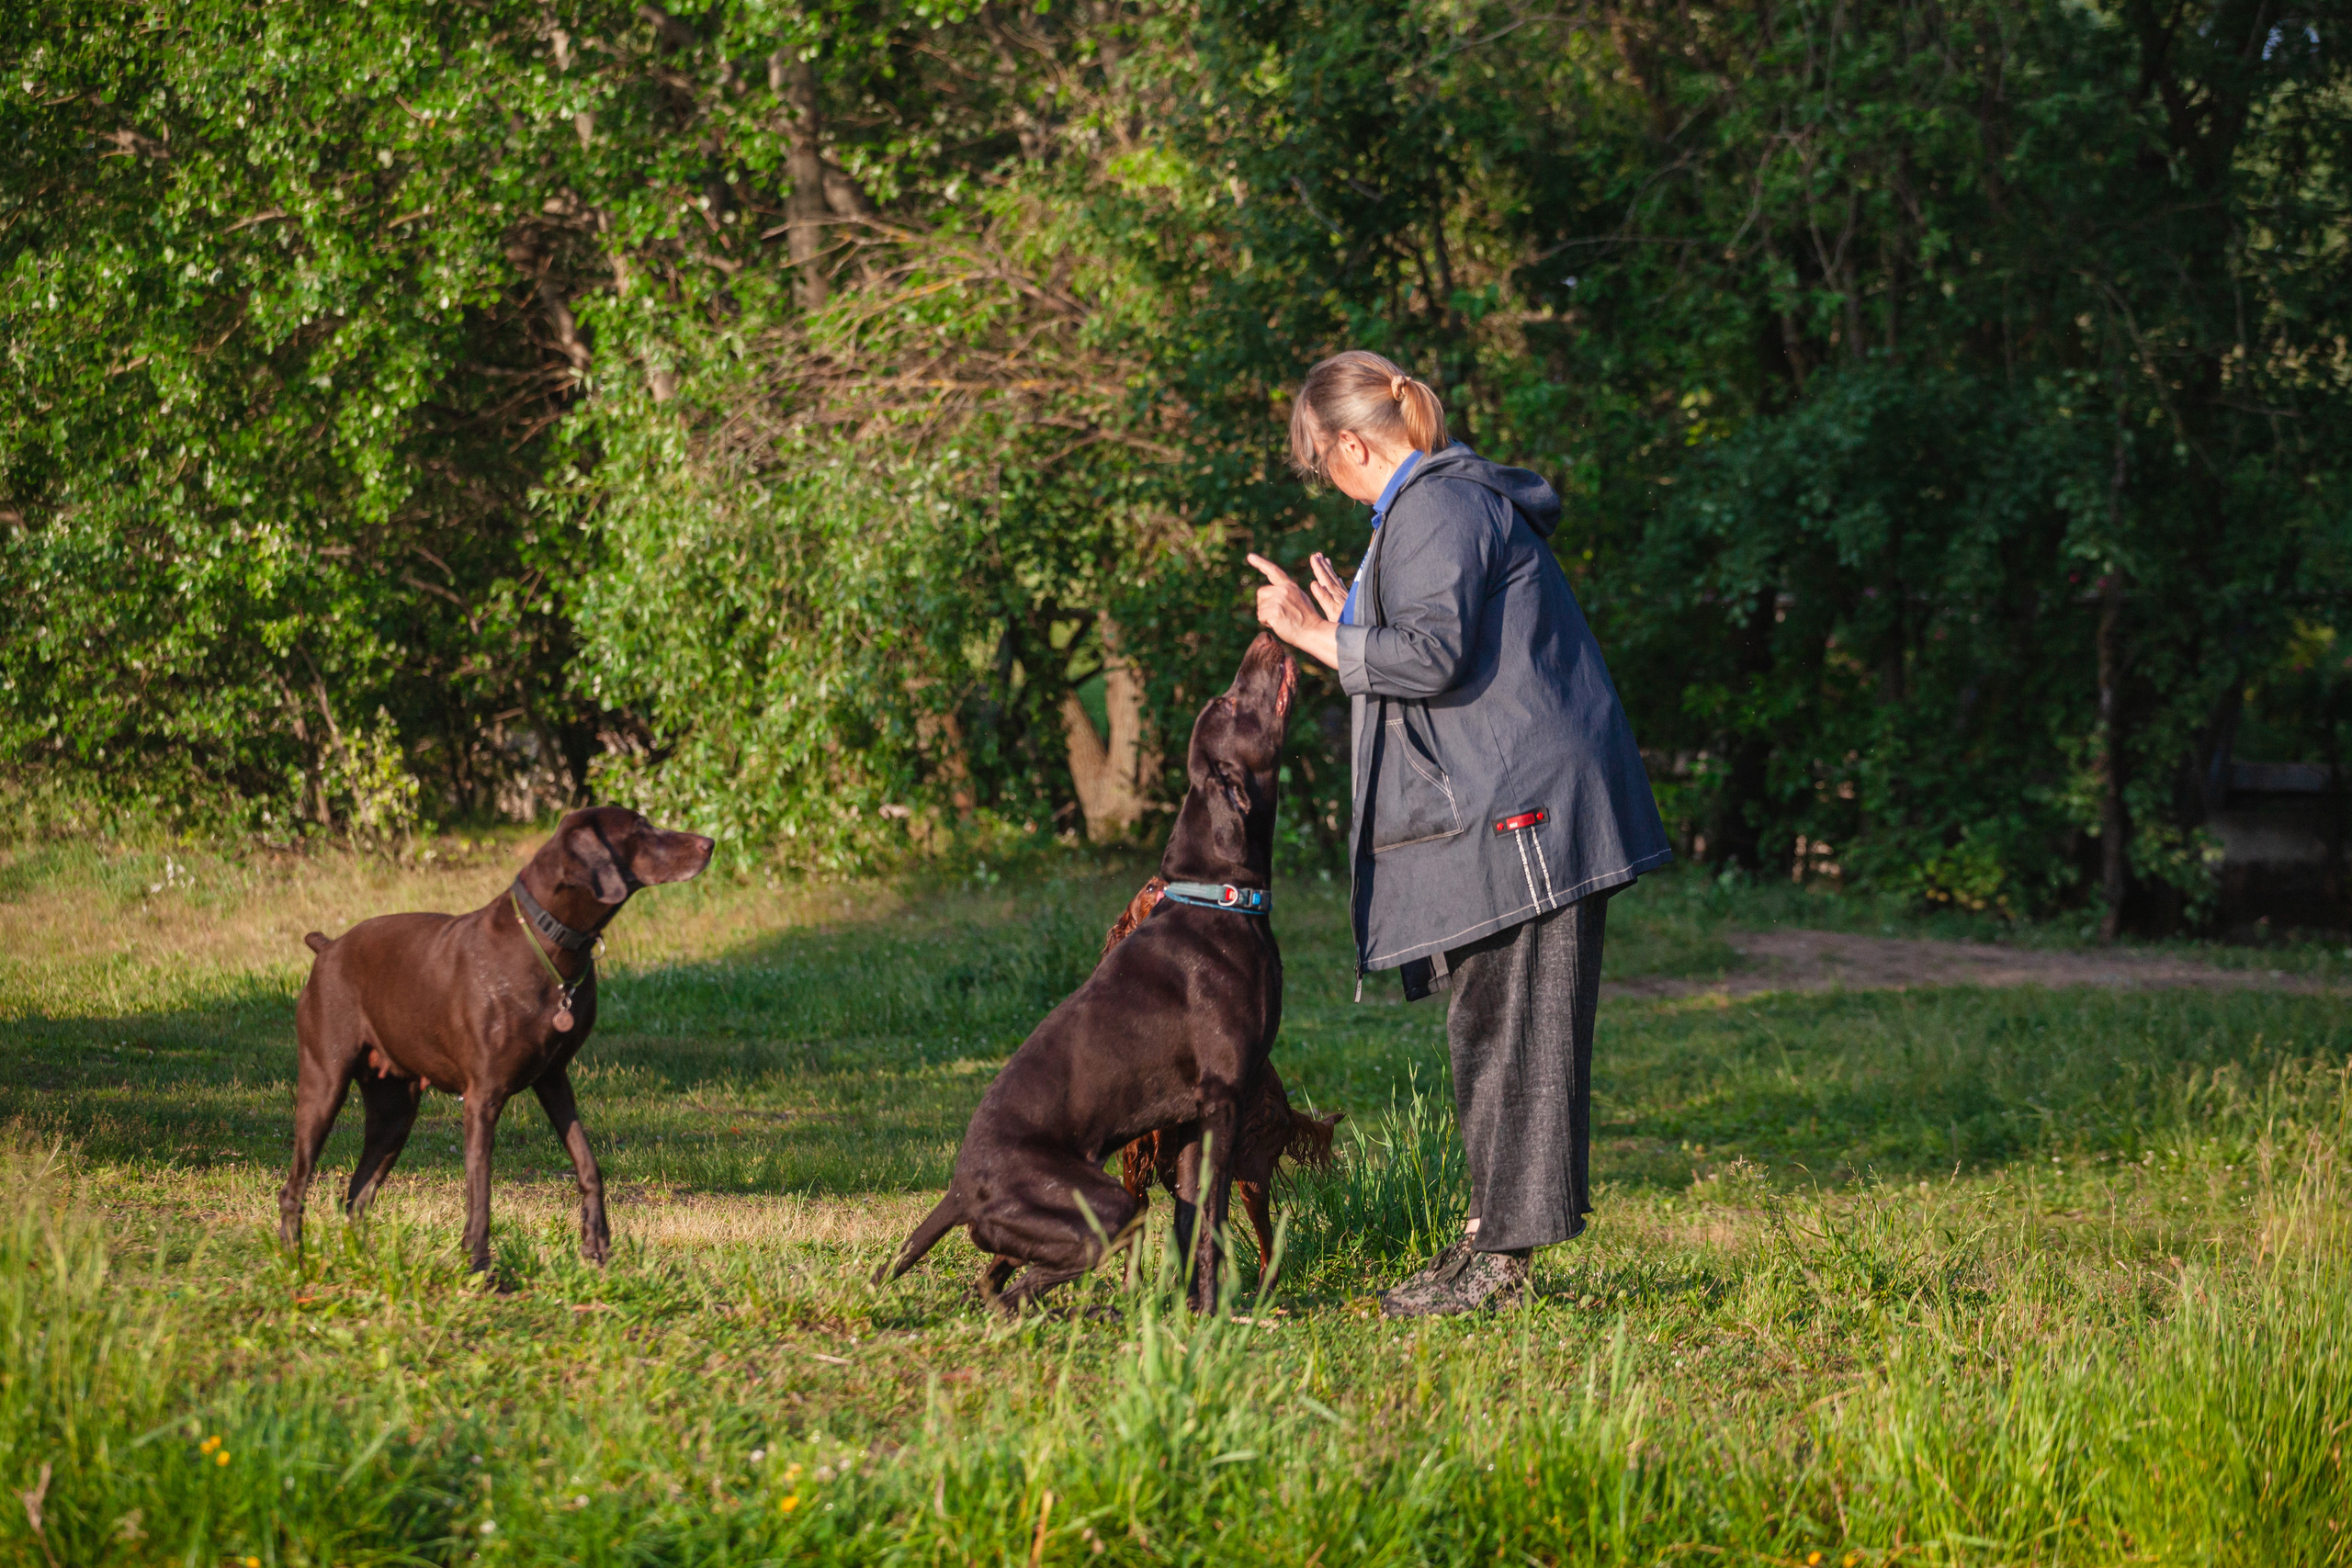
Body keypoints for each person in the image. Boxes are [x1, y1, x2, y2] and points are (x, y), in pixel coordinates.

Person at [1246, 349, 1671, 1316]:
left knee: (1520, 1027)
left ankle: (1502, 1264)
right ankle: (1486, 1238)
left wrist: (1319, 636)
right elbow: (1441, 640)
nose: (1329, 484)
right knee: (1486, 1023)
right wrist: (1355, 619)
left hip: (1523, 806)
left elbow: (1430, 656)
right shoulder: (1430, 507)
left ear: (1351, 443)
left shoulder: (1436, 503)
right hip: (1505, 799)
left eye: (1323, 466)